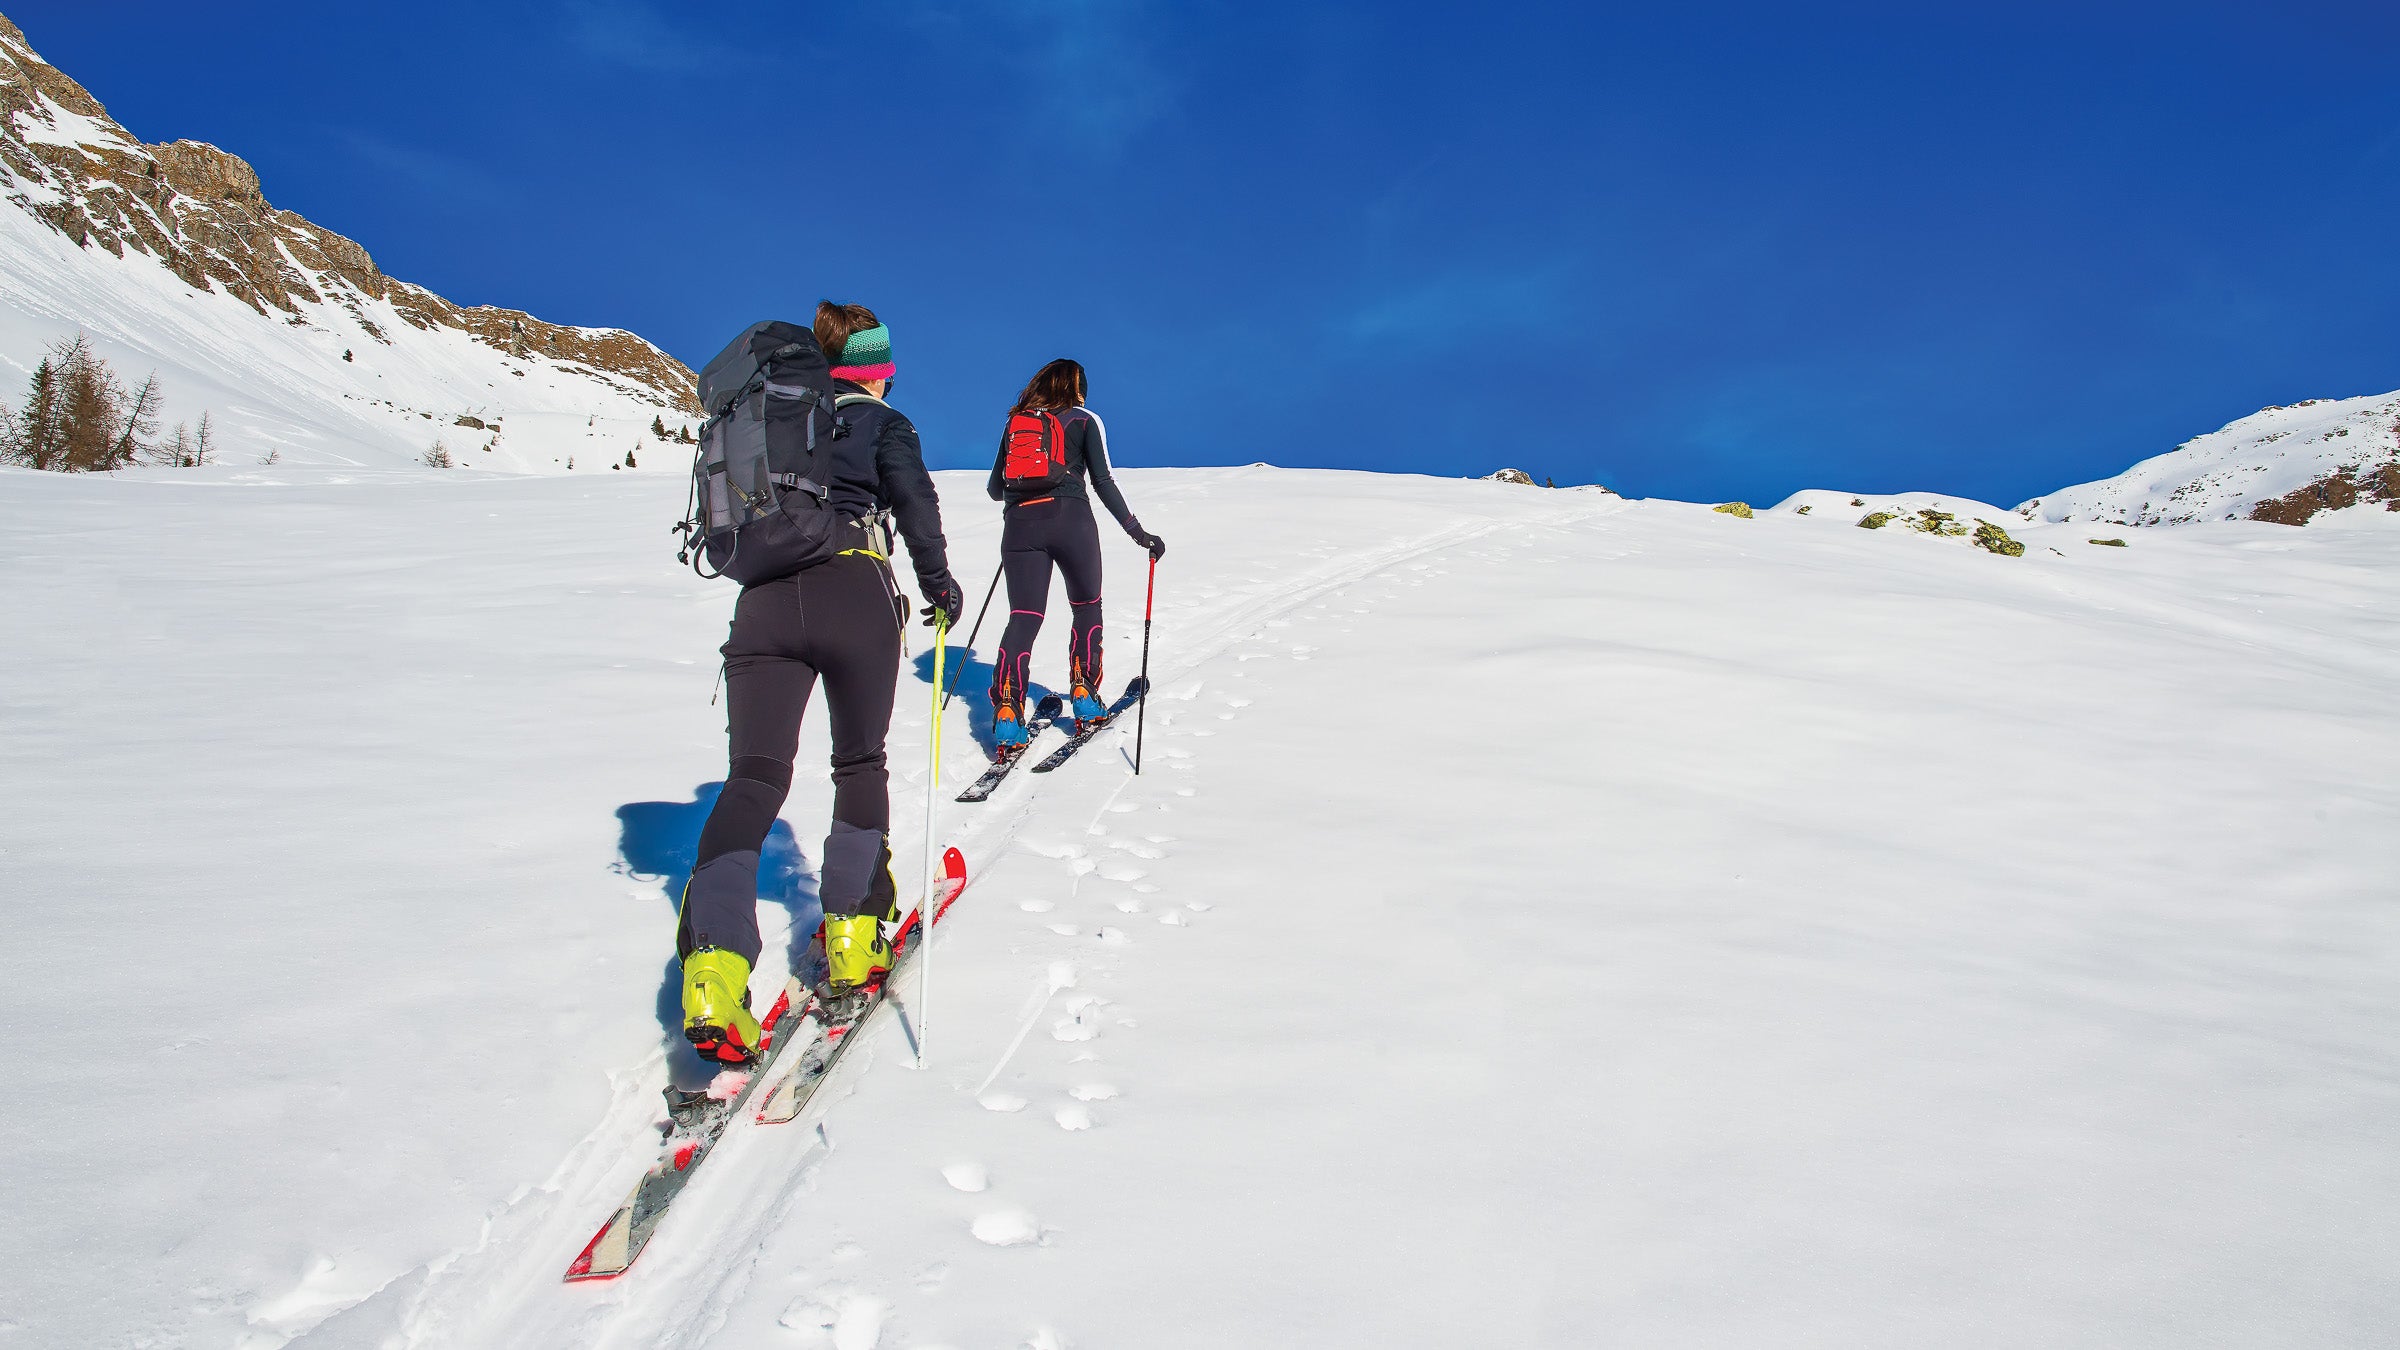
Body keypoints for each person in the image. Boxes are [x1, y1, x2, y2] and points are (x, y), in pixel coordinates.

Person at [678, 302, 965, 1065]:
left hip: (765, 602)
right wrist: (939, 585)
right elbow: (917, 504)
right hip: (855, 591)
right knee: (858, 762)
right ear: (877, 370)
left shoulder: (777, 420)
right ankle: (853, 935)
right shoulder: (882, 423)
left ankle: (713, 974)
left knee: (753, 779)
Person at [984, 358, 1165, 755]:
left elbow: (996, 489)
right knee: (1086, 606)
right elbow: (1103, 481)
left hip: (1020, 526)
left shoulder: (1016, 423)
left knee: (1024, 616)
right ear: (1076, 387)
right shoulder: (1084, 420)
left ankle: (1008, 709)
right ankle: (1084, 692)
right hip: (1071, 520)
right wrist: (1138, 533)